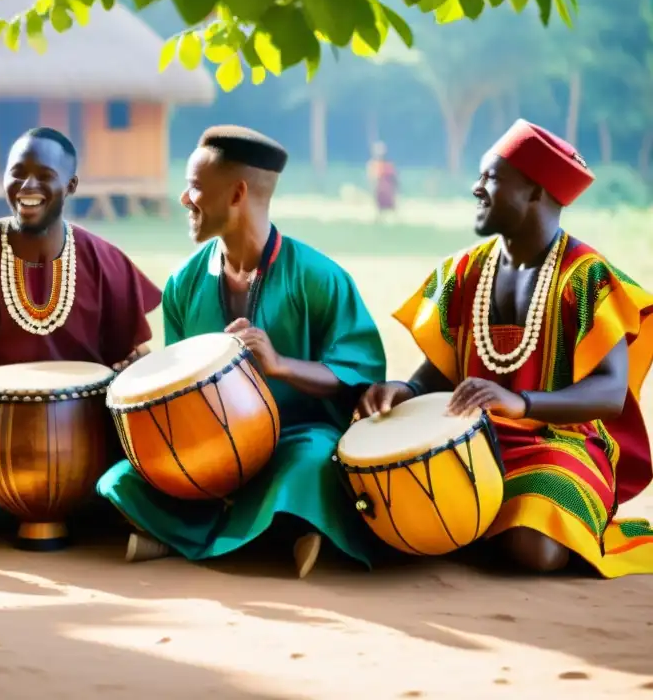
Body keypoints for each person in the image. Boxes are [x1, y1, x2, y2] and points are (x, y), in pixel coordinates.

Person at [356, 119, 653, 578]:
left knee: (535, 548)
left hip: (561, 446)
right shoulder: (464, 270)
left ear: (536, 192)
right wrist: (401, 391)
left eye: (491, 177)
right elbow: (434, 376)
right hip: (473, 443)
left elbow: (611, 394)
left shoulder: (586, 275)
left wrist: (521, 403)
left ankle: (472, 526)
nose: (476, 188)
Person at [96, 126, 388, 578]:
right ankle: (278, 534)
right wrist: (141, 377)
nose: (184, 199)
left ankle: (185, 534)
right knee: (118, 482)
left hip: (293, 441)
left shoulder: (318, 276)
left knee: (313, 464)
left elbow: (360, 371)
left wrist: (281, 366)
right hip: (203, 451)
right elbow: (178, 386)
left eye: (194, 187)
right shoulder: (183, 282)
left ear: (237, 194)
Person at [0, 127, 162, 538]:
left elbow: (136, 353)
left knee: (148, 451)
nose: (28, 186)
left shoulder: (105, 260)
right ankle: (38, 516)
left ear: (71, 185)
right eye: (17, 173)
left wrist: (134, 366)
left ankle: (65, 508)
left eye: (44, 175)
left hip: (85, 429)